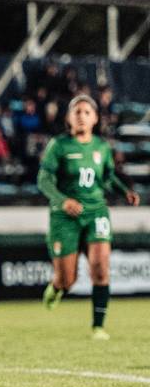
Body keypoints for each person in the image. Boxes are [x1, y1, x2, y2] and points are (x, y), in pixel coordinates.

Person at [38, 94, 140, 339]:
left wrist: (124, 192)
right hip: (65, 217)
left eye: (86, 112)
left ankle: (98, 326)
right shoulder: (59, 145)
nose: (81, 116)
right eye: (77, 112)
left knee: (101, 269)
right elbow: (43, 179)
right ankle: (56, 287)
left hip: (96, 212)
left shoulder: (102, 147)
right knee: (67, 280)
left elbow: (106, 177)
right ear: (68, 118)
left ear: (95, 119)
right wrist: (63, 201)